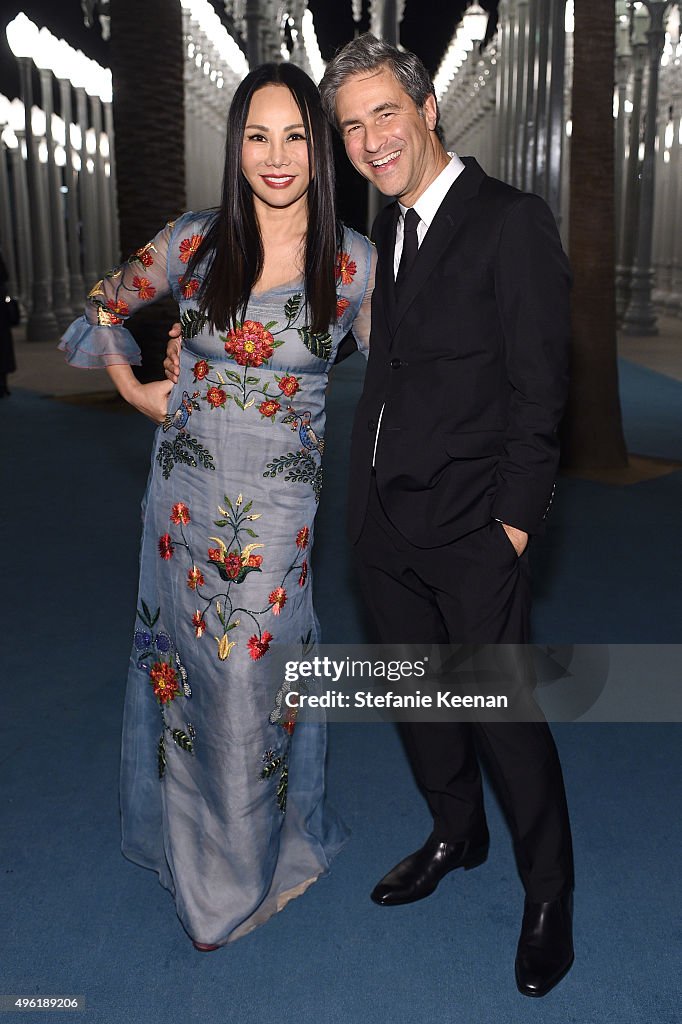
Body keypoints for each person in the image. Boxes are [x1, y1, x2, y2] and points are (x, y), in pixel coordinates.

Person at [59, 62, 374, 949]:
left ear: (322, 149)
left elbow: (405, 381)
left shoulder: (354, 263)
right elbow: (105, 304)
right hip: (185, 505)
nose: (277, 157)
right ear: (236, 146)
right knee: (189, 673)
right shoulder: (193, 241)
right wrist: (134, 391)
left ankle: (237, 874)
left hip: (280, 518)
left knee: (249, 679)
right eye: (258, 136)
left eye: (298, 137)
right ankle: (197, 852)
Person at [316, 35, 574, 997]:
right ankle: (453, 833)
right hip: (383, 529)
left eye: (386, 113)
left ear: (428, 110)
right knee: (422, 703)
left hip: (474, 533)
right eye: (353, 126)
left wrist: (509, 529)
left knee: (504, 717)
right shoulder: (391, 230)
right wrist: (362, 513)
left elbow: (541, 392)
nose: (372, 139)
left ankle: (549, 893)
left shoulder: (511, 221)